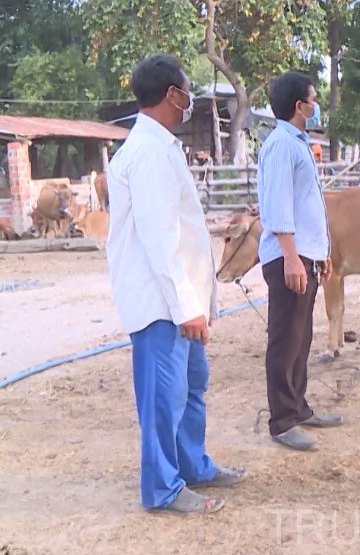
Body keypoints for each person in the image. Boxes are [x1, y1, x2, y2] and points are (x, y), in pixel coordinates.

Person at [106, 54, 245, 514]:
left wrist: (199, 301)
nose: (191, 101)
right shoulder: (146, 154)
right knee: (163, 400)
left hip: (181, 299)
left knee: (190, 387)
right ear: (172, 95)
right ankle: (163, 489)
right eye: (187, 91)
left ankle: (193, 466)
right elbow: (159, 238)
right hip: (161, 302)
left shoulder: (161, 146)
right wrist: (187, 305)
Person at [257, 71, 342, 451]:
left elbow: (308, 205)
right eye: (313, 97)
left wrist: (319, 255)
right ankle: (282, 421)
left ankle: (299, 407)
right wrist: (291, 257)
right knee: (285, 339)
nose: (316, 103)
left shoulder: (299, 143)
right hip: (288, 258)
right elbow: (279, 207)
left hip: (305, 256)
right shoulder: (281, 145)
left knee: (301, 338)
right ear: (299, 106)